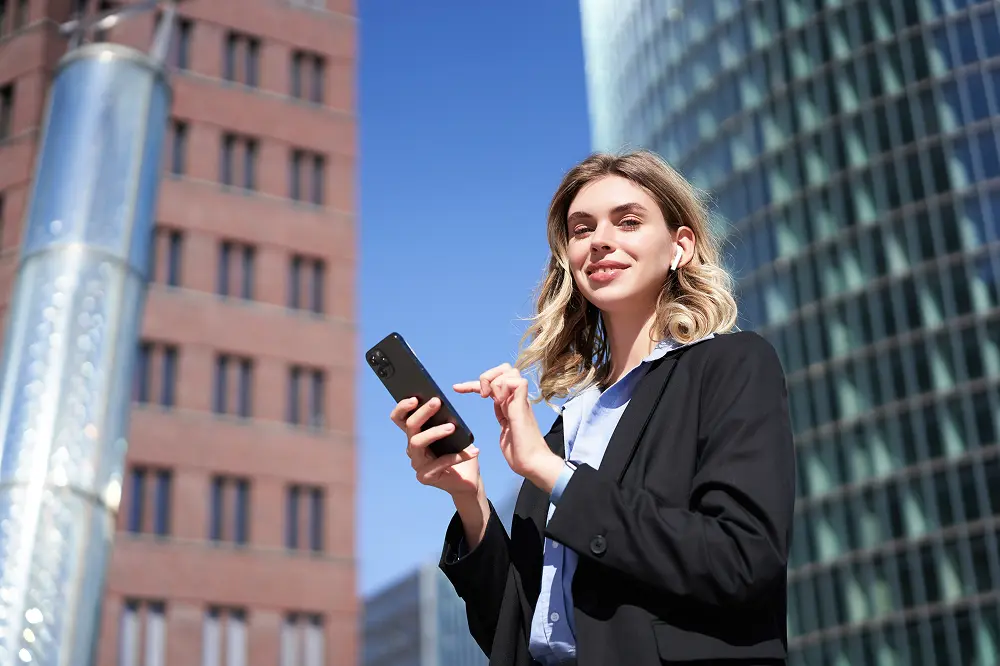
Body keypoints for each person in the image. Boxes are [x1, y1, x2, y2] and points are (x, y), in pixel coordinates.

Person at [389, 150, 796, 666]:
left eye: (628, 222)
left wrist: (552, 474)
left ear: (681, 246)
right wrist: (470, 499)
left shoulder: (731, 365)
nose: (599, 240)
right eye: (582, 229)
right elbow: (515, 634)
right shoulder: (571, 423)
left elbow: (742, 559)